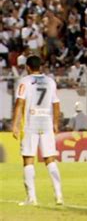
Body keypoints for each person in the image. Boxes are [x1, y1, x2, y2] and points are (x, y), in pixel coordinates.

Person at [11, 55, 63, 206]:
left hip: (30, 122)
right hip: (46, 121)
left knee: (28, 159)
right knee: (50, 159)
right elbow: (56, 104)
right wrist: (55, 123)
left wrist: (15, 124)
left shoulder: (25, 82)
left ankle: (32, 197)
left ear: (27, 67)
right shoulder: (50, 81)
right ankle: (59, 194)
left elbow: (19, 104)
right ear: (40, 66)